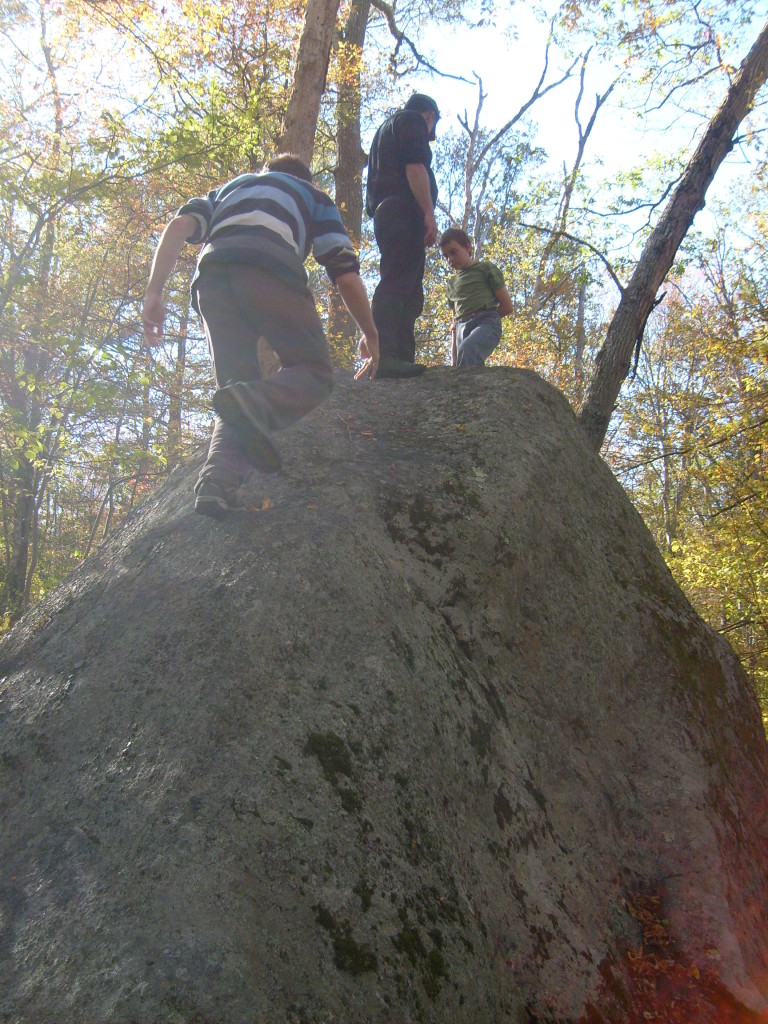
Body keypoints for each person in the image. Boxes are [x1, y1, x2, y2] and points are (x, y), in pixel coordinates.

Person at [143, 153, 379, 519]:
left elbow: (178, 227)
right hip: (271, 267)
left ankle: (216, 484)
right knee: (314, 372)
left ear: (265, 172)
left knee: (235, 387)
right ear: (306, 179)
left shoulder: (227, 189)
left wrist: (154, 292)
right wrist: (370, 333)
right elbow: (344, 273)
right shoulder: (313, 197)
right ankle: (245, 405)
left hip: (212, 280)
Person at [365, 93, 440, 378]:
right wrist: (428, 213)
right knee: (399, 282)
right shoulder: (411, 121)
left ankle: (401, 356)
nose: (431, 134)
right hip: (402, 210)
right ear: (430, 115)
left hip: (387, 214)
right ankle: (383, 356)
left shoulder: (384, 131)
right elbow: (415, 167)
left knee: (407, 286)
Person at [439, 227, 514, 367]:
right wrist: (454, 359)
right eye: (446, 256)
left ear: (467, 246)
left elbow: (507, 306)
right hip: (462, 328)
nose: (450, 259)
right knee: (465, 362)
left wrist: (487, 317)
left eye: (453, 252)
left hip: (486, 322)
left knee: (469, 349)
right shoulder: (452, 284)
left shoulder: (485, 269)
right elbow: (454, 324)